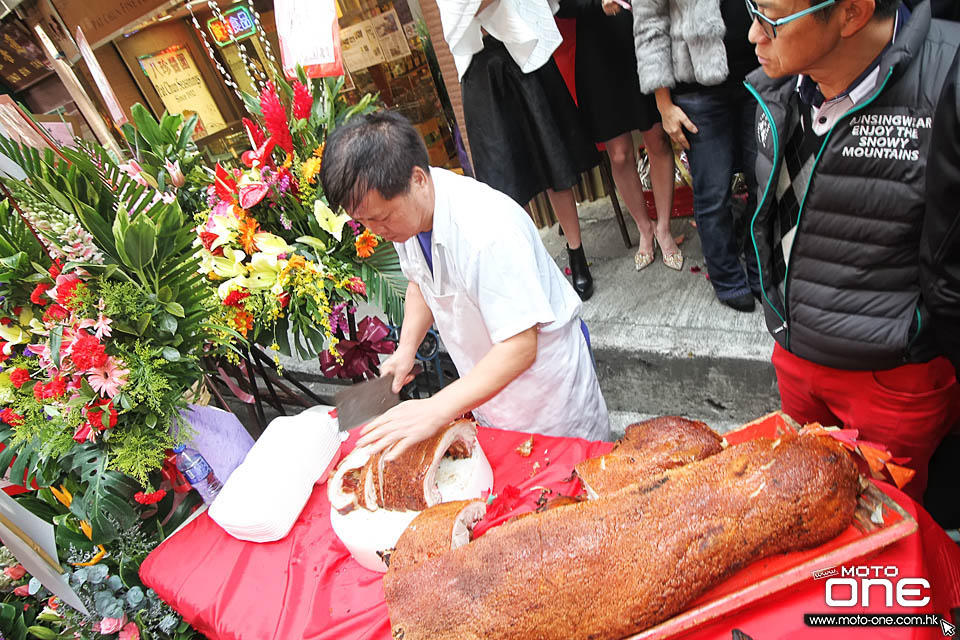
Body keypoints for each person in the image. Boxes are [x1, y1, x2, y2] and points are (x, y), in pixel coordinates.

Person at [743, 0, 960, 502]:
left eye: (769, 19)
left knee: (885, 531)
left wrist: (922, 335)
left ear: (852, 14)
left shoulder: (945, 80)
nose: (753, 36)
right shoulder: (779, 80)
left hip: (892, 378)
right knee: (807, 508)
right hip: (794, 354)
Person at [319, 111, 611, 457]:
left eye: (380, 218)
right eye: (364, 221)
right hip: (490, 391)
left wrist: (436, 408)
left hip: (547, 401)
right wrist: (406, 350)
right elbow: (421, 283)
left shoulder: (486, 230)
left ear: (417, 179)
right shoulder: (406, 215)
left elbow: (520, 346)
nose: (375, 230)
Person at [435, 0, 600, 300]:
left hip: (525, 47)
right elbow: (458, 11)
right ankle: (532, 267)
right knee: (506, 179)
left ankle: (576, 253)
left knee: (554, 160)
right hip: (480, 66)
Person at [634, 0, 762, 311]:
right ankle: (728, 278)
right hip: (698, 88)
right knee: (713, 191)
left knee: (764, 181)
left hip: (761, 73)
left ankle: (762, 268)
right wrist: (664, 105)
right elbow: (649, 26)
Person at [556, 0, 682, 271]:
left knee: (657, 139)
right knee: (619, 154)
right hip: (596, 50)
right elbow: (559, 6)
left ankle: (664, 228)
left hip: (642, 38)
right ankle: (644, 229)